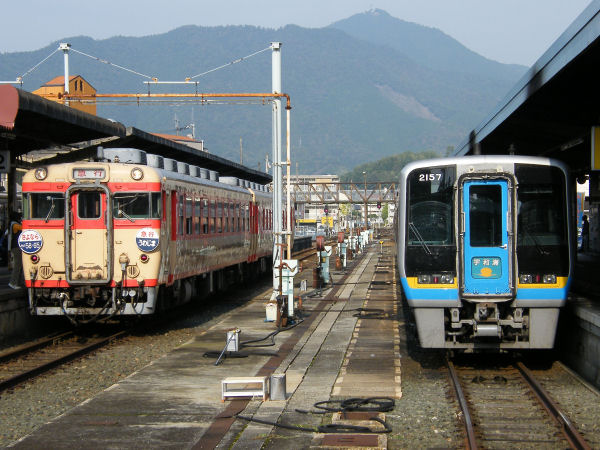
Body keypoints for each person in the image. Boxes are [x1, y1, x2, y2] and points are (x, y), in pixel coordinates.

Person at [8, 211, 23, 289]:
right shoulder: (15, 225)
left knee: (19, 265)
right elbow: (23, 228)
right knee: (18, 265)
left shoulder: (12, 224)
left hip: (16, 247)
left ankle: (17, 282)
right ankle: (13, 283)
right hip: (16, 247)